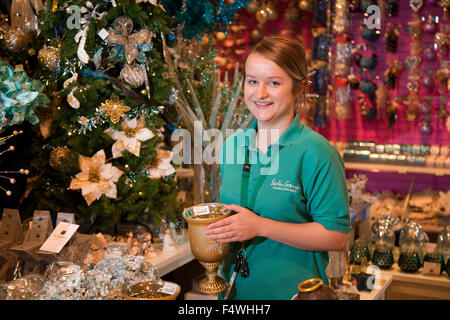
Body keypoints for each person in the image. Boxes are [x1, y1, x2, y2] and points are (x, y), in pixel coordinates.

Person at [205, 36, 350, 300]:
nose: (259, 94)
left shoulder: (318, 153)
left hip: (294, 294)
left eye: (273, 83)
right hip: (234, 294)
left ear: (297, 89)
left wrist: (260, 226)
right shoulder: (232, 146)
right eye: (252, 81)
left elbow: (336, 237)